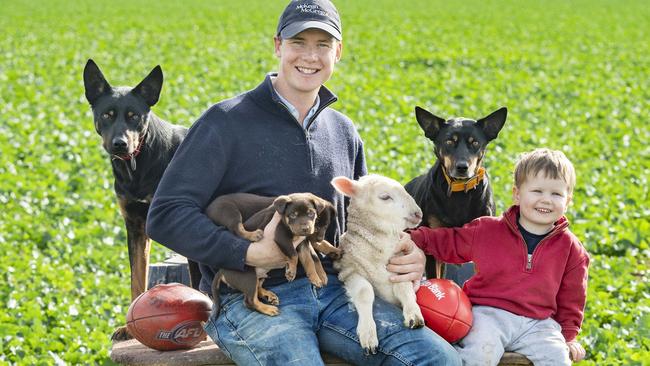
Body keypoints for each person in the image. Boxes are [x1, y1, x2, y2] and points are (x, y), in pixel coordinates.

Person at [146, 1, 460, 364]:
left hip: (334, 293)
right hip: (252, 297)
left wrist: (406, 253)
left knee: (439, 360)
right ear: (278, 45)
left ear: (338, 52)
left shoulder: (343, 132)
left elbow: (360, 226)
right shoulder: (225, 123)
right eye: (298, 42)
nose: (310, 56)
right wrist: (247, 253)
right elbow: (166, 215)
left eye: (323, 45)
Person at [407, 148, 589, 365]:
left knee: (557, 358)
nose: (546, 200)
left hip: (538, 323)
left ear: (568, 201)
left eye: (556, 194)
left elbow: (573, 298)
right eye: (537, 191)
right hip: (488, 314)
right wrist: (414, 238)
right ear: (517, 194)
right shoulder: (487, 230)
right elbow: (448, 241)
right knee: (479, 354)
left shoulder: (572, 250)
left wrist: (568, 337)